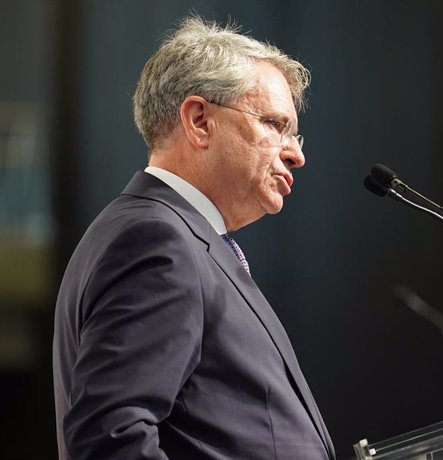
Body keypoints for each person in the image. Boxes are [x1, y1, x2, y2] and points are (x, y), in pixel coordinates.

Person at [52, 15, 335, 459]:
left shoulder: (175, 235)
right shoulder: (157, 241)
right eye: (275, 125)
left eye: (294, 133)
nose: (296, 153)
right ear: (200, 120)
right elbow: (109, 436)